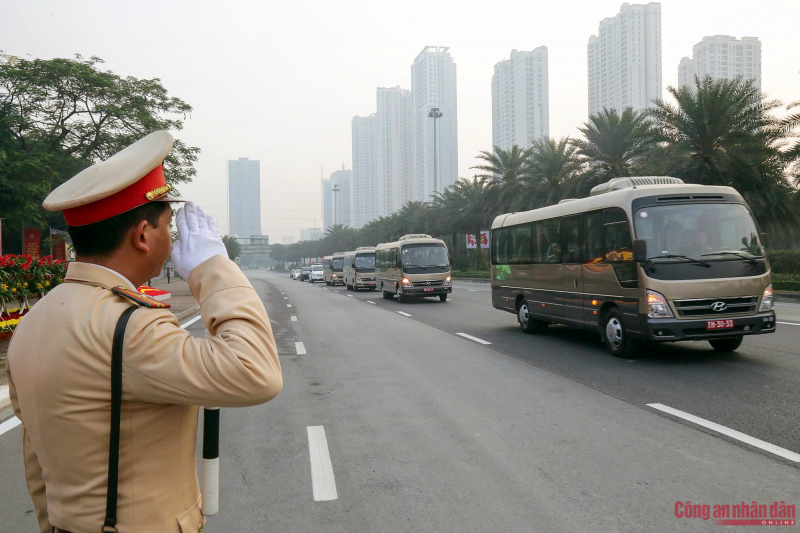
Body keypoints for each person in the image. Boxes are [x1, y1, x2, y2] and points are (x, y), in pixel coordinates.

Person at [6, 131, 282, 533]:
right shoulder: (129, 326)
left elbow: (37, 459)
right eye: (168, 226)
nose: (172, 240)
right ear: (142, 235)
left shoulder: (35, 319)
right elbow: (257, 372)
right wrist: (213, 268)